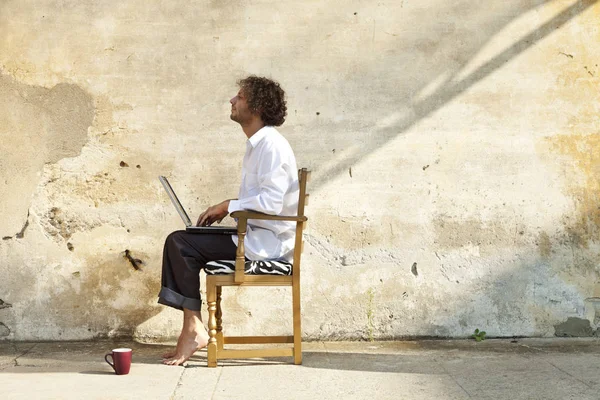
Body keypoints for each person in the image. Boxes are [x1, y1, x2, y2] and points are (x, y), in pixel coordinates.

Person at [158, 76, 299, 366]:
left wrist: (227, 206)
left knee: (180, 243)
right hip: (253, 234)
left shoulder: (271, 145)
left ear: (257, 106)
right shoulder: (258, 145)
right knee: (183, 242)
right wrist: (230, 208)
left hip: (266, 245)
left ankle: (192, 330)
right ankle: (191, 327)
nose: (232, 102)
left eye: (240, 97)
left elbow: (272, 203)